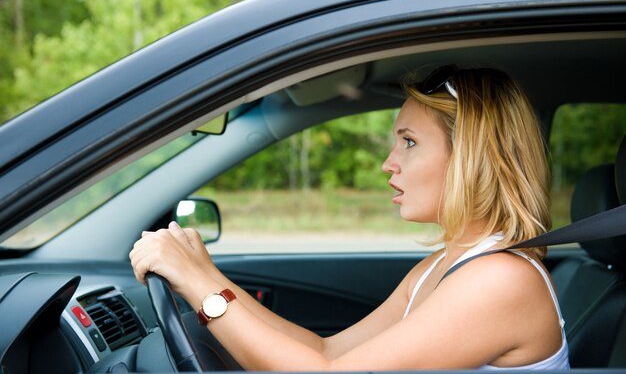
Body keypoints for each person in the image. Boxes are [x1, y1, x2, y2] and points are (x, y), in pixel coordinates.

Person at [129, 65, 570, 370]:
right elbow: (327, 350)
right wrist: (209, 277)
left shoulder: (501, 279)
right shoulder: (446, 264)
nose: (388, 163)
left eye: (409, 142)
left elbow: (324, 371)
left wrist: (200, 287)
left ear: (471, 157)